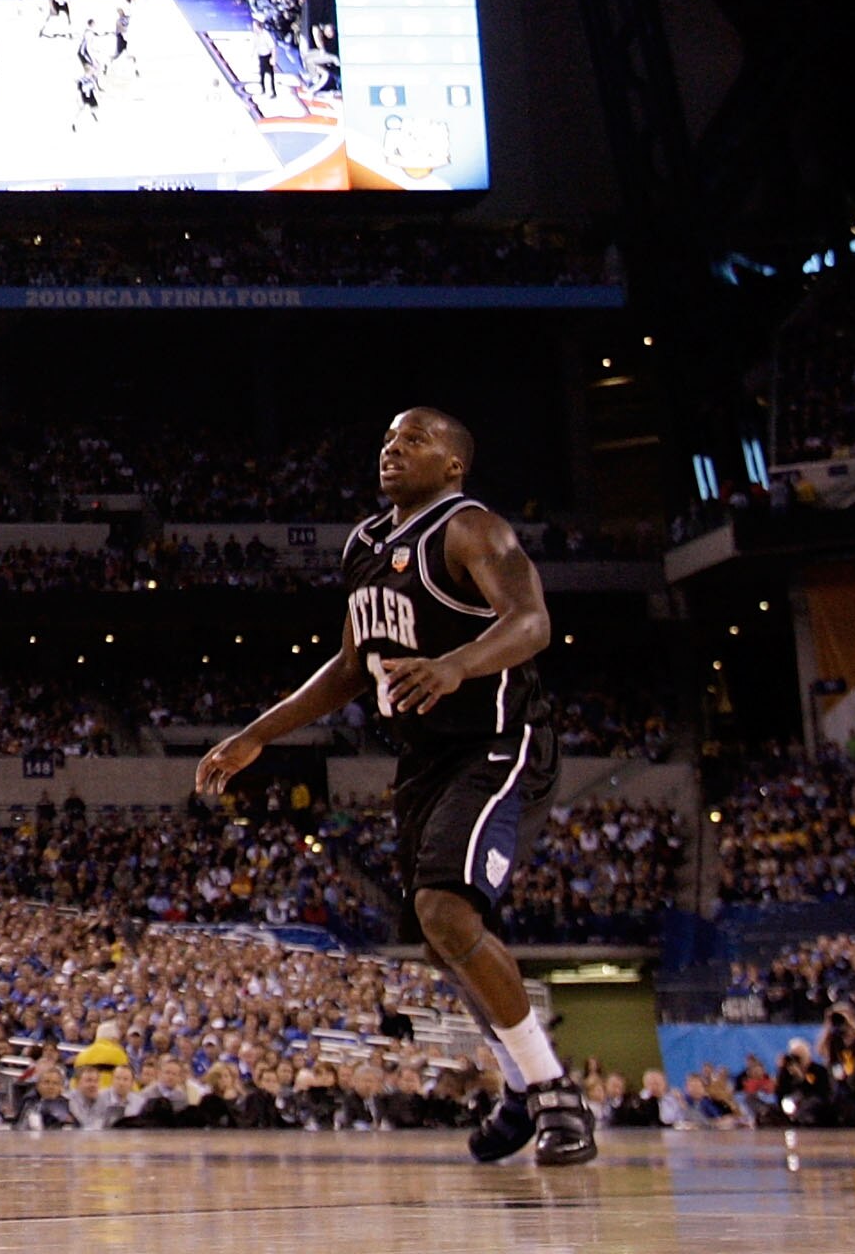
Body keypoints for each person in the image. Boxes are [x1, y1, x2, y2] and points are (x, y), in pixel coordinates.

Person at [197, 408, 594, 1168]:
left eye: (414, 440)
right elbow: (351, 667)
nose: (393, 448)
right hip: (425, 757)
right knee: (445, 941)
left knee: (445, 908)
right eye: (386, 438)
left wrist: (458, 664)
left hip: (500, 740)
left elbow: (533, 622)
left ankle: (553, 1093)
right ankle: (519, 1082)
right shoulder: (365, 545)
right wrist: (259, 733)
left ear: (452, 465)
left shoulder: (472, 527)